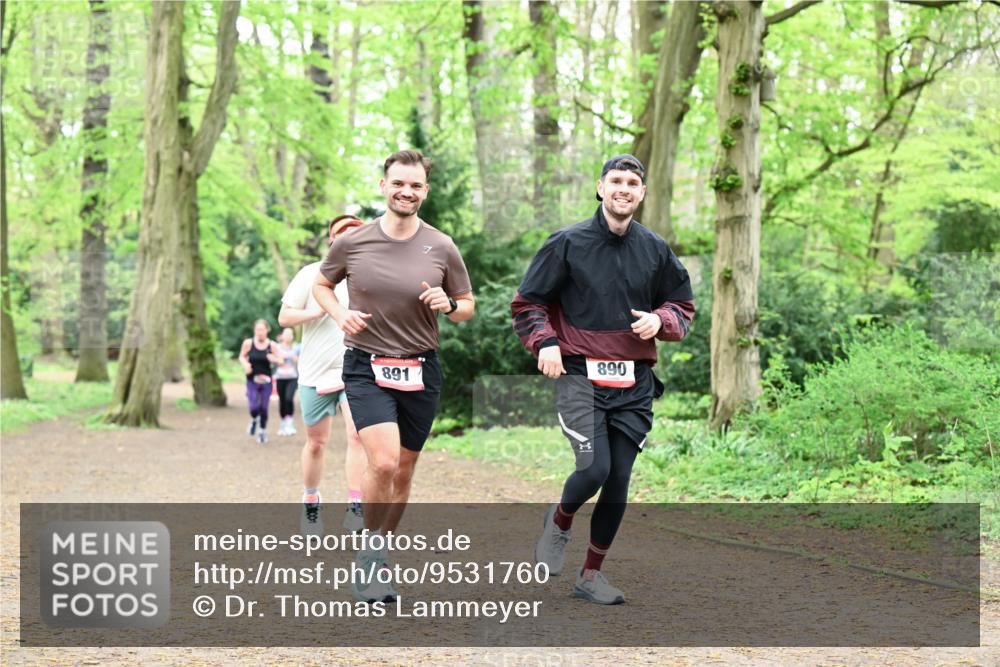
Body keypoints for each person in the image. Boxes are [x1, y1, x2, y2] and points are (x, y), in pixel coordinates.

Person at [511, 154, 695, 605]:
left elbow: (681, 305)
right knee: (595, 468)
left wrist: (661, 320)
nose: (623, 189)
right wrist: (545, 342)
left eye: (632, 183)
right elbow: (528, 304)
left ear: (642, 193)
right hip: (580, 376)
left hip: (634, 381)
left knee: (618, 480)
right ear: (600, 187)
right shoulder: (566, 243)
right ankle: (560, 520)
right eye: (616, 181)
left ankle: (590, 575)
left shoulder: (655, 249)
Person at [313, 150, 475, 603]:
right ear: (383, 186)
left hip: (422, 368)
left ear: (425, 191)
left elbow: (466, 305)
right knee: (382, 462)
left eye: (415, 185)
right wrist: (340, 315)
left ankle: (378, 553)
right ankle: (369, 559)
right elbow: (322, 285)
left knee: (403, 469)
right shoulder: (353, 242)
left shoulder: (441, 245)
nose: (407, 191)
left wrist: (450, 305)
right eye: (398, 183)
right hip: (366, 365)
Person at [279, 215, 368, 534]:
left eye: (356, 232)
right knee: (316, 442)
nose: (349, 236)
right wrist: (317, 311)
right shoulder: (311, 273)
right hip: (315, 373)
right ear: (332, 240)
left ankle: (356, 505)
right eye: (342, 232)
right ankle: (311, 500)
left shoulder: (371, 277)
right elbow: (284, 317)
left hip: (355, 371)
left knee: (357, 436)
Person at [238, 319, 283, 445]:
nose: (260, 332)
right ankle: (254, 420)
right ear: (254, 330)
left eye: (262, 329)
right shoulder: (248, 343)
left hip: (266, 381)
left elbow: (281, 360)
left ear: (267, 330)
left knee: (263, 407)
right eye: (257, 329)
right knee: (253, 407)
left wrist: (273, 359)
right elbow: (241, 356)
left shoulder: (272, 345)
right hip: (252, 380)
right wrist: (245, 364)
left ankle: (262, 431)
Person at [274, 327, 301, 437]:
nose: (288, 336)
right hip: (280, 377)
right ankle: (282, 424)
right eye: (286, 334)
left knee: (289, 399)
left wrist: (296, 359)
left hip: (292, 377)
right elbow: (271, 357)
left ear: (293, 336)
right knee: (282, 400)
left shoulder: (296, 347)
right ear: (282, 335)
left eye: (290, 334)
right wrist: (278, 359)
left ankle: (290, 424)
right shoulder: (277, 347)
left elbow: (302, 359)